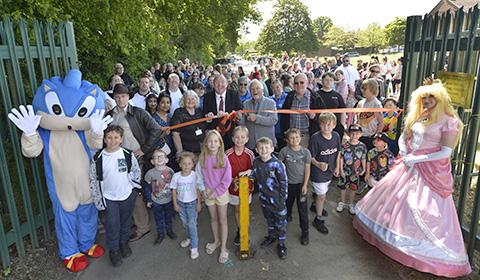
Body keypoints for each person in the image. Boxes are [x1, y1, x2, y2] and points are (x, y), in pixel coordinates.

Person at [353, 82, 472, 277]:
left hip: (431, 170)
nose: (427, 101)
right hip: (408, 164)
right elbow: (405, 135)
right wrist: (404, 149)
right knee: (398, 202)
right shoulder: (422, 114)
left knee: (423, 208)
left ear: (440, 98)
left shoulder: (449, 121)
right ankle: (395, 237)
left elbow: (446, 152)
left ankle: (420, 248)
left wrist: (417, 158)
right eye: (424, 98)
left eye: (431, 97)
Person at [107, 84, 163, 242]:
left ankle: (143, 226)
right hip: (117, 159)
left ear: (128, 97)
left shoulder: (138, 112)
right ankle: (134, 222)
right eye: (117, 96)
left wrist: (144, 149)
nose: (120, 99)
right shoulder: (110, 115)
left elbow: (157, 129)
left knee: (133, 192)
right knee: (123, 191)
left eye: (123, 96)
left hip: (135, 159)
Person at [89, 125, 141, 267]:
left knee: (126, 222)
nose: (113, 141)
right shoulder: (98, 157)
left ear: (121, 139)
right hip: (109, 198)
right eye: (109, 137)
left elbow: (136, 171)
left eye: (116, 137)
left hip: (127, 195)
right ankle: (114, 250)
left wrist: (134, 188)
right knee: (112, 225)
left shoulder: (127, 154)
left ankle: (123, 243)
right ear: (104, 139)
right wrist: (97, 198)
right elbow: (93, 178)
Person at [241, 137, 288, 259]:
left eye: (267, 147)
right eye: (261, 148)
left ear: (272, 148)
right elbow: (256, 174)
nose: (264, 150)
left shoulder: (278, 164)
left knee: (280, 223)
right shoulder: (256, 162)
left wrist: (282, 199)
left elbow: (284, 182)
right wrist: (248, 173)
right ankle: (271, 236)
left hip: (278, 200)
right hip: (264, 199)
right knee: (269, 220)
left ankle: (282, 244)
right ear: (256, 149)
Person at [195, 130, 232, 264]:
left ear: (220, 143)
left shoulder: (224, 158)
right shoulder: (202, 158)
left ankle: (223, 247)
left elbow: (227, 180)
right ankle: (216, 241)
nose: (213, 144)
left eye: (216, 141)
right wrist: (203, 190)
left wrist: (215, 192)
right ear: (206, 143)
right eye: (210, 141)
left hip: (221, 193)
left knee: (223, 219)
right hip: (207, 193)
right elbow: (198, 176)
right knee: (213, 218)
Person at [278, 128, 311, 245]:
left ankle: (305, 232)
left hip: (301, 185)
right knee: (287, 204)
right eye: (291, 138)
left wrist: (306, 184)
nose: (294, 140)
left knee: (302, 210)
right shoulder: (284, 151)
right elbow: (279, 166)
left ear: (300, 138)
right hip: (288, 184)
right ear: (287, 140)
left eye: (296, 137)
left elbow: (307, 168)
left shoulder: (306, 152)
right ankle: (287, 217)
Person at [309, 113, 341, 234]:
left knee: (322, 192)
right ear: (319, 124)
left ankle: (314, 205)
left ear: (334, 125)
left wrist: (337, 166)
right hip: (318, 173)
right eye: (323, 124)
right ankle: (318, 219)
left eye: (329, 124)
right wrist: (318, 164)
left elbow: (338, 153)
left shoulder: (336, 136)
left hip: (330, 171)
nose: (326, 127)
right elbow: (310, 157)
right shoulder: (315, 138)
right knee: (322, 196)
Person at [225, 126, 255, 245]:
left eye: (242, 137)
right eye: (237, 137)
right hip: (233, 187)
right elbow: (224, 172)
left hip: (246, 187)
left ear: (247, 139)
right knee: (237, 209)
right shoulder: (227, 154)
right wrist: (232, 180)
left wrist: (249, 174)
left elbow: (254, 170)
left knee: (245, 209)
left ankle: (245, 231)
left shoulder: (250, 154)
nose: (239, 139)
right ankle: (240, 230)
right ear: (232, 139)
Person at [170, 152, 203, 260]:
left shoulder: (194, 175)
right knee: (185, 223)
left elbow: (198, 189)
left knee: (191, 224)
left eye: (189, 163)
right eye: (184, 163)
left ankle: (194, 247)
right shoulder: (176, 176)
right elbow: (174, 191)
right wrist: (175, 203)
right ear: (180, 164)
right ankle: (189, 238)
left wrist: (199, 203)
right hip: (181, 203)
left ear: (193, 164)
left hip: (192, 203)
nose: (186, 166)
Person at [143, 149, 176, 245]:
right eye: (156, 157)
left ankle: (169, 231)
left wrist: (176, 198)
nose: (159, 158)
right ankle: (161, 234)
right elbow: (147, 187)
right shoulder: (150, 173)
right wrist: (149, 199)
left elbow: (175, 186)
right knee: (158, 218)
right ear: (152, 161)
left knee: (169, 217)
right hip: (156, 201)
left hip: (169, 200)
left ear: (167, 160)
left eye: (161, 156)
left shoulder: (170, 171)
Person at [203, 74, 242, 149]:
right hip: (214, 133)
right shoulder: (207, 96)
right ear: (213, 84)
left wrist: (230, 115)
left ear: (227, 84)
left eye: (222, 82)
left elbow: (239, 110)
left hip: (231, 132)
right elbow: (204, 114)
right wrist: (208, 117)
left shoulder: (234, 94)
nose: (220, 85)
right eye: (217, 82)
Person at [280, 73, 318, 148]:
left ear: (307, 83)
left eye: (302, 82)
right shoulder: (289, 96)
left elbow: (323, 117)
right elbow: (283, 115)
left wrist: (314, 117)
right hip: (291, 138)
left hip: (307, 137)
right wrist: (285, 132)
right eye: (296, 83)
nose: (299, 85)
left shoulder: (315, 97)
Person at [238, 79, 277, 150]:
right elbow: (242, 124)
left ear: (262, 90)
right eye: (252, 89)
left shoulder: (271, 103)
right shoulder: (245, 104)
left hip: (266, 144)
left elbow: (273, 120)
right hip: (251, 144)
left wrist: (257, 118)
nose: (255, 91)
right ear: (249, 92)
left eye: (257, 88)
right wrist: (239, 118)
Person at [336, 124, 367, 215]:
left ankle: (350, 204)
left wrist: (364, 168)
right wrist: (341, 169)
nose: (354, 135)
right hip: (345, 170)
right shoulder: (345, 145)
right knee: (343, 187)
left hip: (356, 172)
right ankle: (342, 202)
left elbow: (363, 158)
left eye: (357, 133)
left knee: (353, 188)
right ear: (349, 134)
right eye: (352, 133)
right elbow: (341, 158)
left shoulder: (363, 146)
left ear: (361, 134)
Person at [171, 90, 207, 156]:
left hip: (202, 149)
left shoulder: (199, 111)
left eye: (193, 99)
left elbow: (205, 127)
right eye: (188, 99)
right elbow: (175, 133)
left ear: (196, 100)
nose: (190, 101)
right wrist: (180, 151)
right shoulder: (179, 112)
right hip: (187, 151)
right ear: (183, 100)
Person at [357, 78, 384, 150]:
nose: (363, 91)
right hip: (360, 135)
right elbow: (357, 118)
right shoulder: (361, 103)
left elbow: (381, 123)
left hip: (371, 136)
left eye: (365, 89)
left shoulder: (377, 104)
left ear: (372, 90)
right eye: (362, 88)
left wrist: (376, 137)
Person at [270, 79, 288, 150]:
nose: (275, 89)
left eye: (277, 87)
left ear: (281, 86)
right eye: (273, 88)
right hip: (274, 132)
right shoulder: (269, 99)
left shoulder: (287, 97)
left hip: (285, 130)